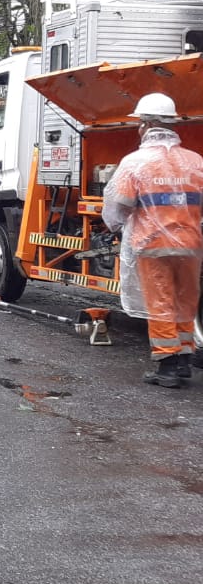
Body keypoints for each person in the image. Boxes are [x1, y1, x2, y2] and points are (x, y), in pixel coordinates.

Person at [101, 92, 203, 388]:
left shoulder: (135, 162)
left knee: (160, 302)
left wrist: (114, 227)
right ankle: (184, 359)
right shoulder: (196, 161)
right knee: (186, 300)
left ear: (145, 125)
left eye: (139, 123)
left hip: (153, 245)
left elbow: (117, 207)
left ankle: (167, 365)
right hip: (191, 244)